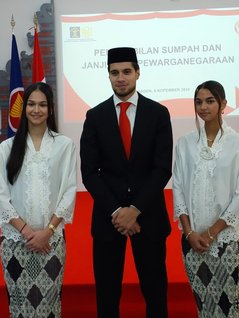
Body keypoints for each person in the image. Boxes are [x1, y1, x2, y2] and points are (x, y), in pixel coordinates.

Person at [80, 47, 173, 318]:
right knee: (107, 296)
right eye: (114, 73)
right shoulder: (94, 117)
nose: (121, 78)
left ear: (138, 73)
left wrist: (135, 209)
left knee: (155, 292)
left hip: (149, 217)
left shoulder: (158, 113)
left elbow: (162, 168)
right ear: (108, 76)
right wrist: (118, 212)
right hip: (109, 220)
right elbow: (89, 172)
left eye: (126, 72)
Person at [0, 82, 76, 318]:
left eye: (42, 104)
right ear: (23, 108)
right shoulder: (6, 149)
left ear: (50, 109)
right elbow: (0, 195)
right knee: (20, 307)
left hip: (52, 242)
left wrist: (47, 232)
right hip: (15, 242)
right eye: (31, 104)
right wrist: (28, 232)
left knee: (49, 305)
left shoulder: (65, 146)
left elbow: (69, 191)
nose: (36, 110)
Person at [172, 80, 239, 317]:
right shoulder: (185, 144)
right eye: (199, 102)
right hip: (192, 239)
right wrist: (189, 233)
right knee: (204, 304)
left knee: (231, 304)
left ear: (223, 104)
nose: (203, 107)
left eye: (210, 101)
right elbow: (177, 187)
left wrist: (211, 233)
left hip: (228, 240)